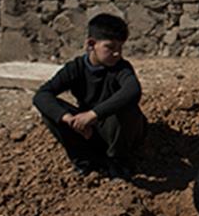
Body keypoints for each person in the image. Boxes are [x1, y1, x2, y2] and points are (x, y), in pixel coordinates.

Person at [33, 13, 145, 179]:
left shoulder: (121, 68)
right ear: (91, 44)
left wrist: (93, 115)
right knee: (52, 112)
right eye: (110, 47)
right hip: (88, 131)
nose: (117, 54)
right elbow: (42, 95)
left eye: (120, 48)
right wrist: (68, 119)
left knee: (125, 108)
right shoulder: (75, 68)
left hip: (115, 131)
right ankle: (85, 162)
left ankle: (117, 161)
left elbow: (133, 90)